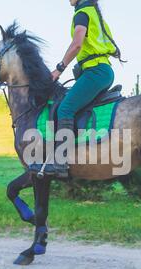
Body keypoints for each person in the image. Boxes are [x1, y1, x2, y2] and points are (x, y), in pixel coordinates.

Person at [43, 0, 124, 178]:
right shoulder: (95, 14)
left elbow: (77, 44)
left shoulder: (82, 13)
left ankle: (60, 162)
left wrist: (59, 68)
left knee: (65, 108)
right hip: (101, 70)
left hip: (96, 71)